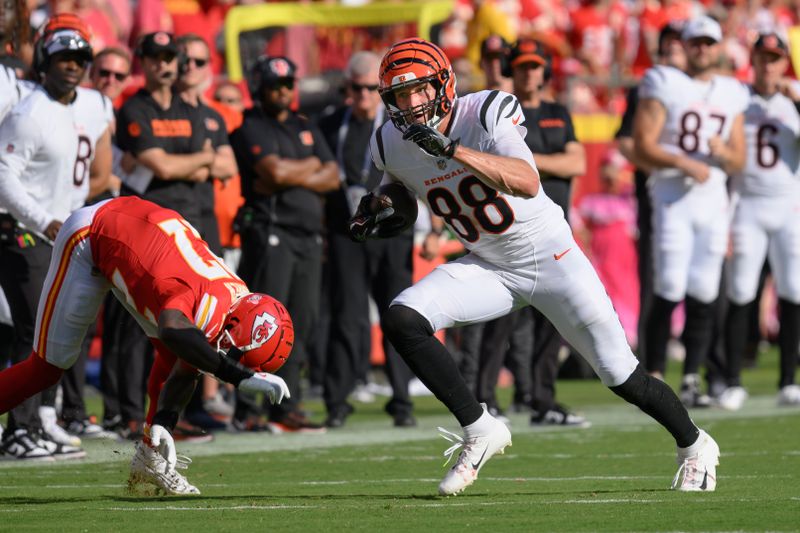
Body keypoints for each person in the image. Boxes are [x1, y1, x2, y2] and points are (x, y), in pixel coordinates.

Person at [352, 37, 719, 496]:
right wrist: (381, 210)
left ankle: (695, 444)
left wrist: (452, 150)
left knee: (622, 376)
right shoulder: (390, 140)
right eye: (399, 96)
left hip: (552, 258)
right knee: (404, 316)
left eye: (418, 90)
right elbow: (403, 196)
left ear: (443, 84)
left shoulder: (484, 110)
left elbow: (526, 182)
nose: (409, 104)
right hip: (489, 264)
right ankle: (481, 428)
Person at [0, 196, 292, 494]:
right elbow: (173, 331)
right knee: (45, 369)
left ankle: (149, 459)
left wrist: (164, 422)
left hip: (137, 232)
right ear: (234, 331)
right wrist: (239, 377)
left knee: (177, 359)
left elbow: (185, 365)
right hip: (92, 236)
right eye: (239, 358)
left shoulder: (232, 299)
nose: (234, 363)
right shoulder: (202, 299)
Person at [633, 16, 748, 407]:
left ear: (718, 48)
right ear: (685, 44)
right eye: (696, 42)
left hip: (712, 202)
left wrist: (724, 153)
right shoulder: (664, 82)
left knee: (705, 292)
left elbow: (739, 160)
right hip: (671, 198)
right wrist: (683, 163)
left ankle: (692, 380)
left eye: (709, 43)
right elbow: (642, 146)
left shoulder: (732, 92)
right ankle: (653, 374)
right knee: (667, 287)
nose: (702, 49)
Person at [111, 31, 215, 441]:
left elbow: (212, 167)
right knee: (134, 324)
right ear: (143, 62)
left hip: (185, 227)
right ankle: (125, 412)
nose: (163, 64)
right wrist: (198, 159)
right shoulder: (134, 107)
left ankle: (167, 414)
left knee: (178, 325)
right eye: (154, 57)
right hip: (145, 226)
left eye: (169, 56)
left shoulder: (191, 109)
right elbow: (163, 166)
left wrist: (189, 162)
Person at [0, 14, 94, 461]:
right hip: (25, 231)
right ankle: (19, 430)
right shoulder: (31, 110)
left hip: (61, 233)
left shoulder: (85, 106)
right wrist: (42, 219)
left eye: (79, 57)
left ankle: (40, 422)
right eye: (62, 57)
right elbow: (2, 173)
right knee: (31, 331)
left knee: (54, 331)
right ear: (44, 60)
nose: (72, 65)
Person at [230, 55, 339, 432]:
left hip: (308, 237)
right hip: (271, 233)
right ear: (260, 88)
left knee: (300, 323)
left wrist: (293, 173)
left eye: (288, 83)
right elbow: (272, 172)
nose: (283, 90)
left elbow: (333, 176)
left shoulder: (304, 126)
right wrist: (310, 168)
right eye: (276, 85)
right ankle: (245, 406)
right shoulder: (250, 127)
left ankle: (285, 406)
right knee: (257, 322)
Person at [318, 51, 416, 429]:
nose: (359, 96)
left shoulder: (397, 127)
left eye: (367, 89)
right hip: (350, 232)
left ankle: (403, 400)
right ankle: (337, 400)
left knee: (399, 313)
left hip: (392, 231)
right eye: (353, 88)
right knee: (346, 316)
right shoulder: (330, 124)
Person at [721, 32, 800, 409]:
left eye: (775, 58)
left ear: (785, 62)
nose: (768, 66)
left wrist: (795, 98)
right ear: (753, 60)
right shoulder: (739, 96)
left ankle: (788, 379)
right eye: (763, 58)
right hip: (748, 204)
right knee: (741, 293)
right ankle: (733, 379)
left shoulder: (794, 99)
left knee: (793, 292)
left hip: (789, 207)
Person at [615, 21, 686, 362]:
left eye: (678, 46)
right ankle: (650, 352)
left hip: (700, 194)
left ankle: (704, 367)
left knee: (706, 277)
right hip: (657, 193)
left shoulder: (706, 90)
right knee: (653, 274)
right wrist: (658, 163)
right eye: (668, 46)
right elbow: (626, 141)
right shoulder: (645, 88)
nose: (673, 53)